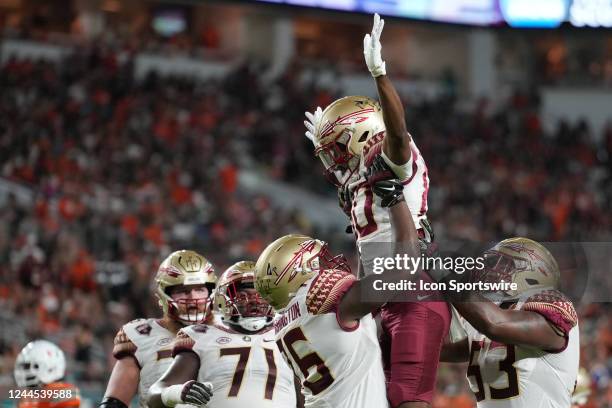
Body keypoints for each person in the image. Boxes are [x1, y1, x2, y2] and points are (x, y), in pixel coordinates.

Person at [304, 13, 449, 408]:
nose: (331, 164)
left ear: (361, 135)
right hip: (384, 295)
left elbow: (398, 133)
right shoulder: (357, 181)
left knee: (408, 400)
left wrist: (380, 75)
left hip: (414, 291)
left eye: (335, 150)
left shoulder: (387, 155)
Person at [254, 162, 423, 408]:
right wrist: (396, 198)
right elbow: (406, 267)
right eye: (316, 262)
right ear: (297, 273)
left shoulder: (284, 320)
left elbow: (365, 288)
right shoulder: (325, 300)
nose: (326, 265)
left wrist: (359, 225)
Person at [440, 238, 580, 408]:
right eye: (492, 264)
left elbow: (494, 324)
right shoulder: (484, 316)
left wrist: (444, 274)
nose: (491, 271)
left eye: (504, 265)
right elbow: (438, 347)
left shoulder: (553, 304)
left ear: (537, 273)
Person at [147, 261, 298, 408]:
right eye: (242, 296)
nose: (254, 302)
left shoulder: (289, 334)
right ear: (223, 300)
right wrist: (177, 393)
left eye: (260, 295)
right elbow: (154, 395)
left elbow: (308, 393)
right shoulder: (200, 336)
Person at [99, 250, 217, 408]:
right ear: (164, 295)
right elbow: (114, 403)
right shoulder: (142, 334)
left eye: (200, 289)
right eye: (183, 291)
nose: (193, 298)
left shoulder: (231, 331)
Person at [14, 340, 81, 408]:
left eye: (28, 367)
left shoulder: (66, 392)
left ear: (50, 367)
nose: (25, 371)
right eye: (24, 367)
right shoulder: (32, 397)